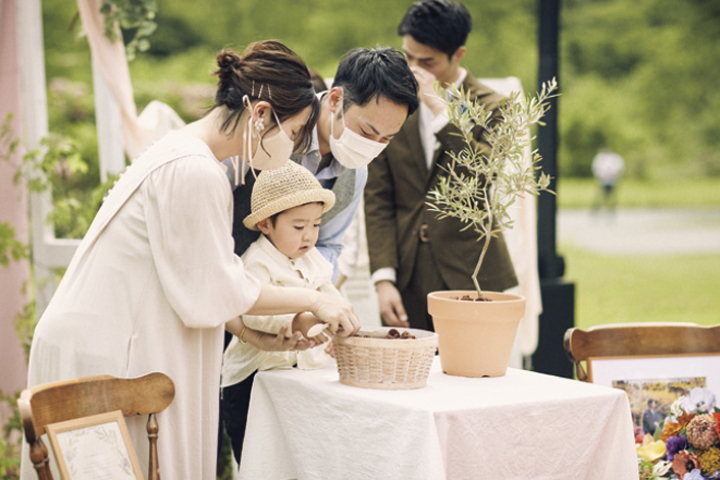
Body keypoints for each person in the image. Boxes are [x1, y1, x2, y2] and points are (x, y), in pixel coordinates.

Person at [20, 41, 360, 480]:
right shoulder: (193, 169)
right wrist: (314, 300)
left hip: (105, 342)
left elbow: (195, 277)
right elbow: (215, 289)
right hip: (110, 354)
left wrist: (245, 330)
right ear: (260, 114)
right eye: (293, 132)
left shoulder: (184, 155)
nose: (293, 147)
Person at [364, 0, 518, 331]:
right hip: (406, 274)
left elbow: (484, 172)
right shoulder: (392, 105)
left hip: (472, 273)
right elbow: (378, 197)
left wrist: (437, 106)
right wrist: (383, 279)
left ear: (458, 54)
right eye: (407, 57)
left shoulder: (494, 105)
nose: (414, 68)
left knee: (474, 375)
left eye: (427, 61)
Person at [226, 46, 419, 282]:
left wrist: (310, 292)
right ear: (336, 99)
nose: (372, 146)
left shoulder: (356, 172)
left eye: (387, 139)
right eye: (367, 132)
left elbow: (329, 244)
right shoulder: (276, 122)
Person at [221, 161, 341, 465]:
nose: (309, 236)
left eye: (316, 225)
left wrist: (339, 318)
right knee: (256, 453)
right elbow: (256, 315)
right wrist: (308, 317)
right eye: (299, 226)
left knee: (293, 451)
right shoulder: (256, 261)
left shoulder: (312, 258)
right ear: (265, 224)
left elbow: (328, 292)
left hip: (298, 374)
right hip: (253, 377)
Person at [591, 146, 625, 213]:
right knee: (600, 195)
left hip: (612, 180)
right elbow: (596, 169)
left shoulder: (614, 158)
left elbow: (619, 168)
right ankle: (597, 209)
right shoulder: (599, 158)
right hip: (602, 180)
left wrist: (616, 176)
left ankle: (611, 209)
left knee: (611, 195)